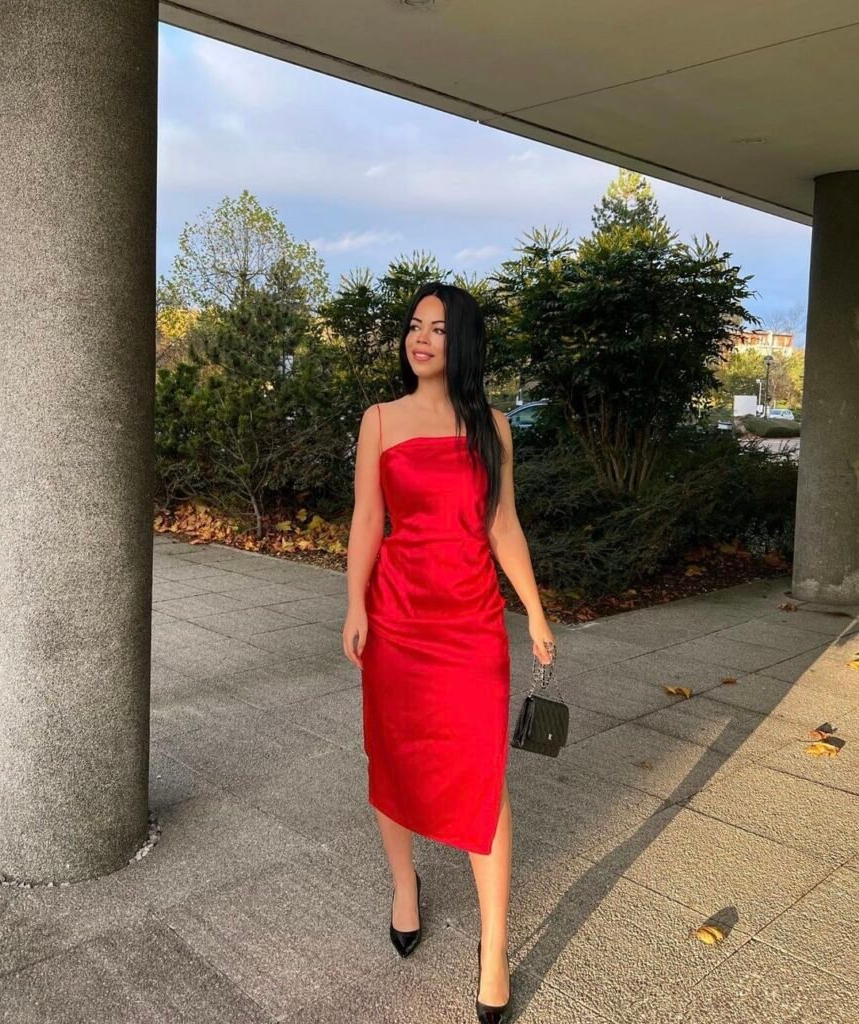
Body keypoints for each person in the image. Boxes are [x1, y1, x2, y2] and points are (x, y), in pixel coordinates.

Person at [343, 281, 557, 1023]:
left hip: (469, 624)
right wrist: (353, 606)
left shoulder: (491, 425)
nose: (420, 338)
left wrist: (532, 608)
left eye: (436, 328)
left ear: (460, 342)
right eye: (412, 326)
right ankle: (405, 884)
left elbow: (504, 526)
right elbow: (368, 518)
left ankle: (492, 946)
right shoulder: (379, 419)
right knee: (394, 756)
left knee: (480, 773)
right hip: (396, 620)